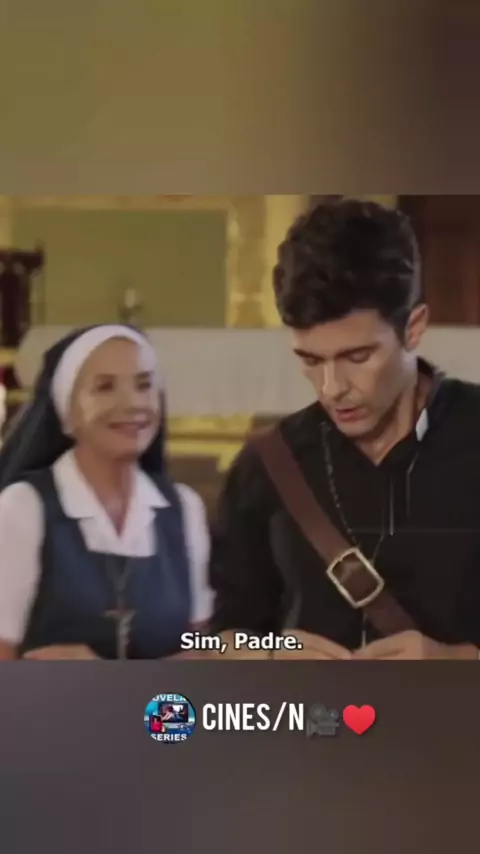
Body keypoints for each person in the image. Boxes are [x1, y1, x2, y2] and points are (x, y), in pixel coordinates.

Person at [209, 199, 480, 661]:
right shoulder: (267, 465)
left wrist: (454, 662)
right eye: (311, 360)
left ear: (413, 328)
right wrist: (271, 652)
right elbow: (212, 640)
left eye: (357, 357)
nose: (332, 388)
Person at [0, 324, 212, 660]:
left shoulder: (184, 508)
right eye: (105, 387)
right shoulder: (23, 508)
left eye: (144, 385)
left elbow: (200, 648)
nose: (133, 403)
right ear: (67, 414)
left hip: (158, 699)